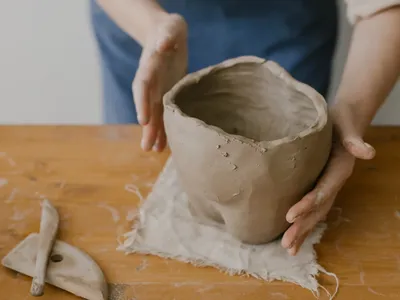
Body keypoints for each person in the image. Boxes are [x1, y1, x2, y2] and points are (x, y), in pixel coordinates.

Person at [89, 0, 400, 255]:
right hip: (148, 32)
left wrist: (351, 114)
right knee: (140, 170)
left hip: (287, 29)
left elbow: (386, 6)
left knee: (271, 212)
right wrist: (152, 28)